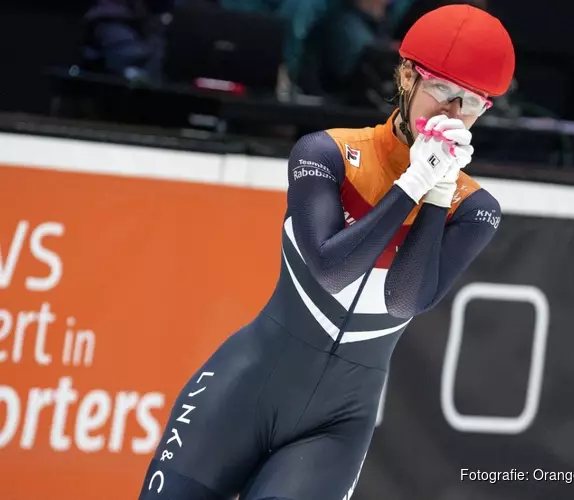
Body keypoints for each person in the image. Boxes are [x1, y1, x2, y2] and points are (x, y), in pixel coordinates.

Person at [138, 4, 514, 500]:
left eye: (469, 104)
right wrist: (412, 181)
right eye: (443, 92)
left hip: (334, 426)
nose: (451, 115)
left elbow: (405, 300)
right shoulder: (327, 153)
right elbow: (330, 270)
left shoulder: (473, 208)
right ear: (406, 77)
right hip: (245, 388)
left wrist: (438, 191)